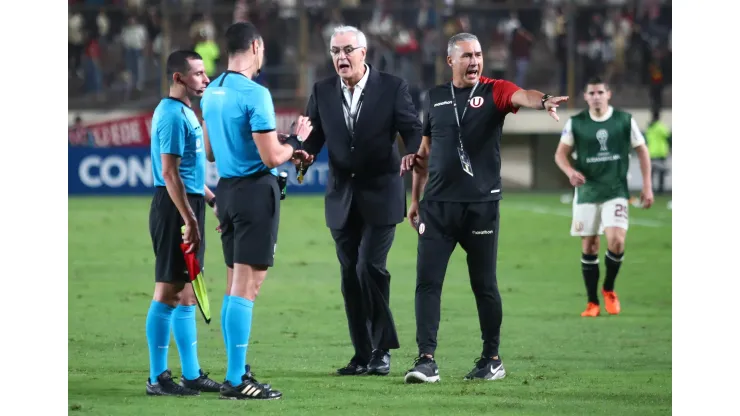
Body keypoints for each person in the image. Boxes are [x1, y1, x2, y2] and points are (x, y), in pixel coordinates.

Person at [399, 33, 568, 383]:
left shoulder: (496, 90)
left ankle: (491, 358)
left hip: (481, 207)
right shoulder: (436, 97)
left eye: (478, 54)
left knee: (484, 285)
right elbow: (425, 154)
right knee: (427, 284)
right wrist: (415, 198)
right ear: (450, 61)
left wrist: (545, 100)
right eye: (467, 56)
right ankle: (426, 360)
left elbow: (524, 95)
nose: (475, 61)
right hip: (437, 208)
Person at [299, 25, 422, 376]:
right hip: (341, 197)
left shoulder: (392, 87)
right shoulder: (322, 90)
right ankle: (361, 353)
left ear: (363, 53)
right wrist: (304, 154)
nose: (341, 57)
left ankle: (381, 349)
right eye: (335, 51)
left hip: (382, 193)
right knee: (349, 275)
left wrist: (413, 152)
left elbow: (412, 128)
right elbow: (313, 138)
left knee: (369, 266)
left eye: (347, 50)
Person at [200, 22, 313, 400]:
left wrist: (276, 144)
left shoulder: (212, 91)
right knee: (247, 289)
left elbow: (213, 152)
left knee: (236, 285)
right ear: (255, 46)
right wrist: (295, 139)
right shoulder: (255, 93)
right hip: (253, 193)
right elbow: (270, 156)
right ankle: (236, 380)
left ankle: (237, 369)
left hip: (228, 191)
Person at [145, 50, 222, 396]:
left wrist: (210, 199)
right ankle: (157, 377)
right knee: (168, 292)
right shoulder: (172, 116)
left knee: (188, 294)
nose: (205, 79)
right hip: (174, 209)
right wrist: (189, 219)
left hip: (188, 204)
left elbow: (189, 172)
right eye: (197, 74)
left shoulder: (186, 111)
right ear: (178, 78)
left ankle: (191, 374)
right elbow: (169, 172)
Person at [554, 76, 654, 318]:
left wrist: (647, 186)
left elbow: (642, 151)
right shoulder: (576, 122)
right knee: (590, 246)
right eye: (592, 93)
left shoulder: (624, 120)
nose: (596, 96)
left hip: (615, 191)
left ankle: (609, 289)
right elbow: (560, 154)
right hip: (587, 192)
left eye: (600, 92)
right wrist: (570, 172)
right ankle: (592, 302)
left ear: (608, 94)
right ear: (586, 97)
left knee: (616, 241)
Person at [645, 110, 671, 194]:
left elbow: (646, 140)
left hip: (651, 153)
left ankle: (650, 189)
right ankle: (660, 189)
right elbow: (668, 137)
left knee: (651, 173)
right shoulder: (661, 127)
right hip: (660, 153)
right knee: (661, 172)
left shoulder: (649, 128)